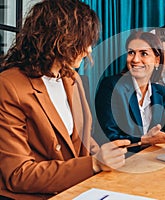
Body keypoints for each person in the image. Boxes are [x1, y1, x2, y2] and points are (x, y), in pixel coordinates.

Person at [0, 1, 130, 199]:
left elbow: (82, 140)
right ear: (60, 39)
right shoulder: (9, 85)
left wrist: (106, 154)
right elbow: (19, 175)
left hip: (76, 190)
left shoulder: (72, 78)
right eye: (84, 41)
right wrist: (94, 163)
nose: (88, 51)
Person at [95, 31, 165, 152]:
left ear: (157, 60)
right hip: (123, 161)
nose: (135, 59)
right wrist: (144, 140)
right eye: (131, 52)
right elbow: (109, 137)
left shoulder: (160, 92)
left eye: (144, 54)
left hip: (150, 158)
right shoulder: (111, 86)